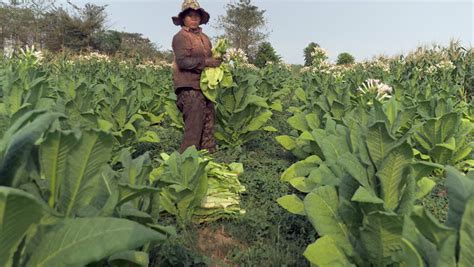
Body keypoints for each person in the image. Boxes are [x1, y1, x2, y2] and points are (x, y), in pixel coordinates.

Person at [171, 0, 222, 153]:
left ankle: (207, 162)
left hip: (205, 88)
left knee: (208, 127)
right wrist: (207, 62)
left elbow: (211, 60)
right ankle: (186, 164)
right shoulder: (181, 37)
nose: (194, 18)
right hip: (189, 88)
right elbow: (183, 62)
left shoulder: (205, 38)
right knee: (193, 129)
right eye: (190, 15)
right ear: (183, 19)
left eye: (196, 15)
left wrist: (218, 59)